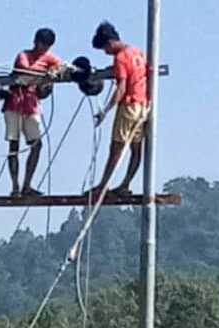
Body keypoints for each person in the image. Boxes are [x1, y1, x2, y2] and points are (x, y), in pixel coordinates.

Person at [86, 21, 149, 201]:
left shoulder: (120, 57)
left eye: (105, 49)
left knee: (116, 147)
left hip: (128, 106)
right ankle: (125, 184)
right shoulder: (137, 52)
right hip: (142, 105)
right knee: (136, 148)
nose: (106, 53)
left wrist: (105, 111)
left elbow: (121, 87)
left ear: (110, 43)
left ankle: (102, 186)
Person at [5, 28, 63, 197]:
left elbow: (60, 65)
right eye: (42, 44)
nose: (43, 49)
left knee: (36, 145)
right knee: (13, 145)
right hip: (15, 101)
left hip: (31, 103)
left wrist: (55, 72)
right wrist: (46, 73)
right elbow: (25, 70)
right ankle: (15, 187)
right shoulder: (23, 55)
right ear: (35, 42)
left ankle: (27, 185)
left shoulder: (49, 57)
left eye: (47, 46)